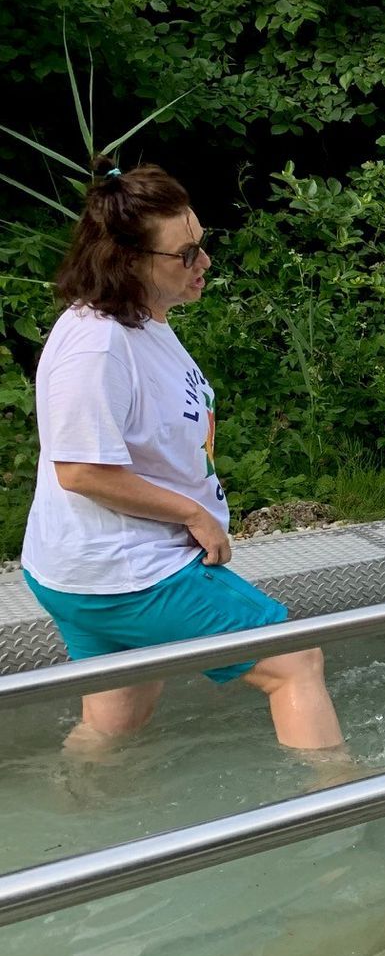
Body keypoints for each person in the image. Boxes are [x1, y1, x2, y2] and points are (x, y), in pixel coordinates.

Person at [20, 159, 343, 753]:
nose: (205, 262)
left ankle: (74, 819)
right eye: (185, 254)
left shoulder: (140, 320)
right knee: (294, 661)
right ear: (130, 262)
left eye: (201, 244)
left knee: (113, 724)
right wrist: (192, 514)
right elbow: (81, 470)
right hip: (130, 572)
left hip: (95, 569)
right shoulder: (98, 345)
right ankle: (346, 819)